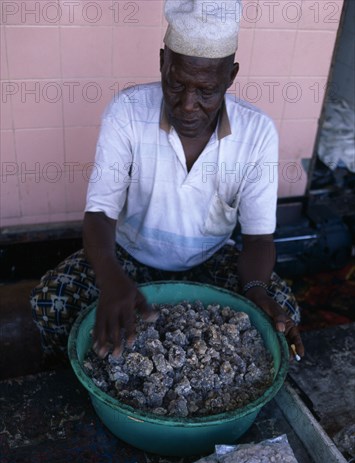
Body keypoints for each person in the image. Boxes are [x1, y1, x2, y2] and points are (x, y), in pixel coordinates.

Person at [31, 0, 304, 361]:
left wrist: (255, 289)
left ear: (230, 77)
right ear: (163, 62)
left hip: (209, 261)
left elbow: (258, 238)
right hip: (127, 255)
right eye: (176, 84)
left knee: (282, 314)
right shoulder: (127, 112)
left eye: (206, 91)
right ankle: (68, 379)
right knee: (51, 300)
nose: (188, 105)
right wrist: (110, 277)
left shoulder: (257, 132)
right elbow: (99, 213)